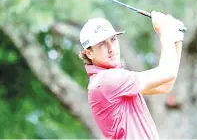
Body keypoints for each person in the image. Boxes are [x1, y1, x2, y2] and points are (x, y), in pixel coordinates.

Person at [78, 11, 184, 139]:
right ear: (89, 53)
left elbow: (165, 85)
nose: (111, 48)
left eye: (113, 39)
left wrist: (177, 39)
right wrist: (164, 31)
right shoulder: (106, 80)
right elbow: (167, 72)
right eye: (102, 44)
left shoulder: (114, 81)